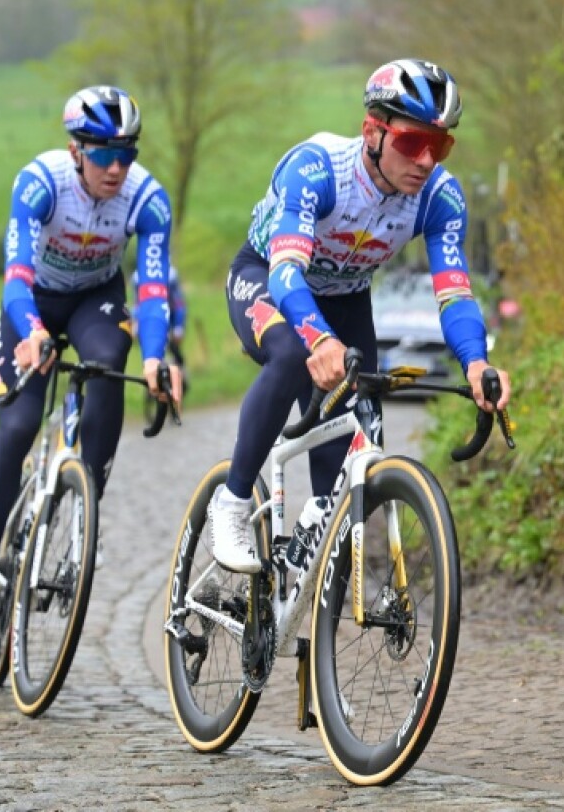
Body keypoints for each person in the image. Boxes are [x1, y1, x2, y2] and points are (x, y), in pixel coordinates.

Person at [209, 58, 512, 573]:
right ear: (372, 132)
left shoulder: (439, 198)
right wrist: (319, 340)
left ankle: (305, 598)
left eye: (439, 147)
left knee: (344, 501)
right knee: (288, 354)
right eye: (412, 143)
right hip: (270, 278)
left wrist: (475, 363)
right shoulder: (318, 169)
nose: (425, 160)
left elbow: (455, 294)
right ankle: (233, 504)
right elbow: (286, 275)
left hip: (347, 301)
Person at [0, 85, 184, 638]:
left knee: (109, 359)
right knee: (20, 426)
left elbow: (152, 292)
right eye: (104, 154)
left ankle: (86, 512)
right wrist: (31, 333)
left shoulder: (147, 201)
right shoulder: (41, 184)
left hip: (94, 301)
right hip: (33, 302)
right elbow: (16, 275)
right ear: (75, 150)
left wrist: (156, 358)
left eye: (127, 154)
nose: (117, 168)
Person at [131, 262, 188, 364]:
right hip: (149, 315)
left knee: (173, 348)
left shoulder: (171, 275)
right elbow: (137, 303)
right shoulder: (137, 277)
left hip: (170, 314)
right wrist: (135, 321)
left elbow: (178, 303)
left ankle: (179, 366)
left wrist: (179, 326)